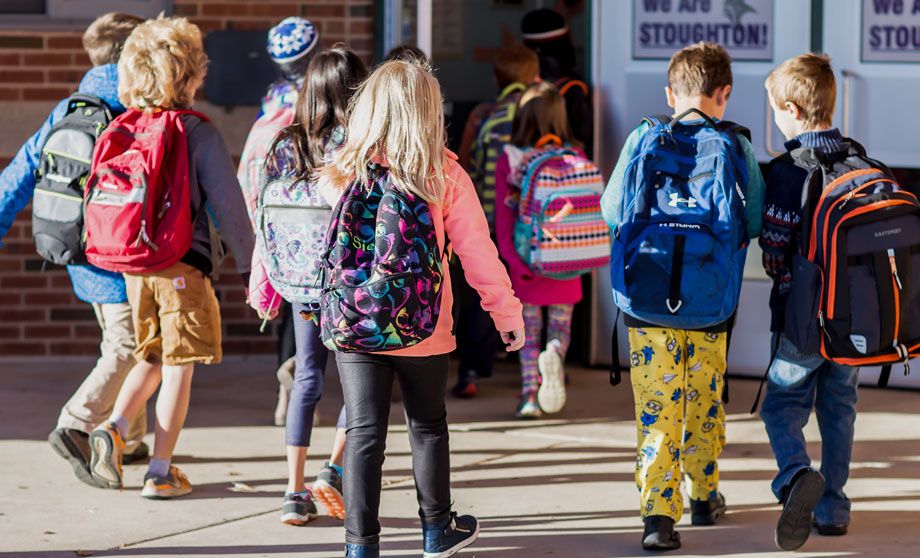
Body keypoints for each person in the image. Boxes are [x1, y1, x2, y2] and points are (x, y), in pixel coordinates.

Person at [317, 60, 525, 558]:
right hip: (423, 325)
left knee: (365, 432)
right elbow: (478, 254)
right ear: (429, 112)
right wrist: (506, 315)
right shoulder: (444, 173)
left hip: (355, 322)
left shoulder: (342, 170)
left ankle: (360, 545)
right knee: (427, 425)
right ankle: (436, 530)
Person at [601, 42, 765, 550]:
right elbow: (753, 221)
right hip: (710, 303)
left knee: (658, 408)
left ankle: (658, 520)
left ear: (671, 93)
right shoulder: (734, 146)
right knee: (703, 398)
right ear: (725, 94)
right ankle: (703, 496)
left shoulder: (644, 137)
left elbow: (612, 210)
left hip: (647, 302)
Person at [86, 15, 254, 500]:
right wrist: (249, 267)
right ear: (189, 74)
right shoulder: (196, 132)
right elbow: (229, 207)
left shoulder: (123, 126)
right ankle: (160, 470)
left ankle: (115, 428)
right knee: (181, 364)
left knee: (153, 354)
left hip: (136, 264)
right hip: (183, 264)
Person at [0, 12, 149, 487]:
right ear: (134, 55)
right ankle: (78, 424)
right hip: (122, 252)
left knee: (122, 338)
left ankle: (134, 436)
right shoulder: (136, 109)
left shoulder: (68, 107)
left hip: (75, 250)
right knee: (129, 344)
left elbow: (19, 174)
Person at [248, 46, 368, 526]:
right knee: (360, 383)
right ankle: (334, 467)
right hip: (350, 282)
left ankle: (293, 491)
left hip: (299, 281)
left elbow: (263, 215)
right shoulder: (359, 144)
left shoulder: (285, 143)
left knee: (307, 379)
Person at [759, 53, 857, 551]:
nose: (774, 119)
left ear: (794, 110)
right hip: (854, 324)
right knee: (839, 408)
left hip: (803, 320)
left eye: (776, 110)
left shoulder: (788, 169)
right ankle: (834, 507)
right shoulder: (861, 162)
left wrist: (782, 278)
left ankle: (796, 476)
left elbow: (775, 250)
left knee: (782, 405)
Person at [238, 16, 321, 427]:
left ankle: (285, 388)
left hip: (274, 214)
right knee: (309, 305)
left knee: (285, 301)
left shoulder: (271, 98)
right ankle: (305, 381)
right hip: (312, 216)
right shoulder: (320, 95)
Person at [453, 43, 540, 399]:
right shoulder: (539, 116)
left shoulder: (488, 119)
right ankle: (537, 367)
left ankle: (471, 371)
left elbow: (467, 167)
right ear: (534, 77)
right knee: (532, 294)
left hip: (490, 224)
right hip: (529, 226)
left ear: (495, 78)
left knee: (482, 296)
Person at [494, 82, 582, 419]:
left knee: (527, 334)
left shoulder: (512, 160)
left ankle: (530, 395)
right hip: (567, 261)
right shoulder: (576, 156)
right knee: (560, 327)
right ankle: (556, 354)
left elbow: (503, 217)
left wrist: (512, 261)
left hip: (529, 259)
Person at [521, 8, 593, 155]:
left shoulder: (523, 85)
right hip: (570, 168)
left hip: (528, 167)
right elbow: (584, 139)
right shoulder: (575, 88)